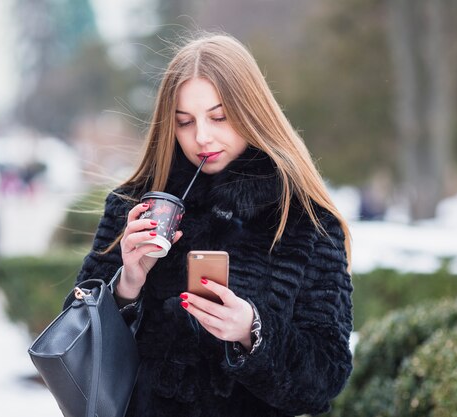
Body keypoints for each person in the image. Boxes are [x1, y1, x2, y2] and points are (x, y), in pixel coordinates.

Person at [74, 32, 354, 417]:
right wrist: (127, 285)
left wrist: (253, 333)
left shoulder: (304, 220)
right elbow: (76, 347)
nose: (201, 137)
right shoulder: (135, 205)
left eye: (219, 117)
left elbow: (327, 375)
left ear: (252, 111)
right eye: (185, 122)